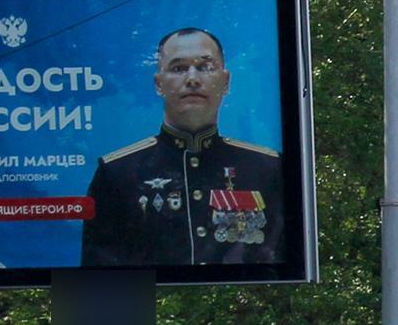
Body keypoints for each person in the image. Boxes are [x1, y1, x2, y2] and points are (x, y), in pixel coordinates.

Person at [80, 25, 285, 267]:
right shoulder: (117, 172)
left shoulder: (268, 169)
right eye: (178, 68)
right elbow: (100, 275)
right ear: (159, 84)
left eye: (205, 67)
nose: (192, 79)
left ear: (226, 81)